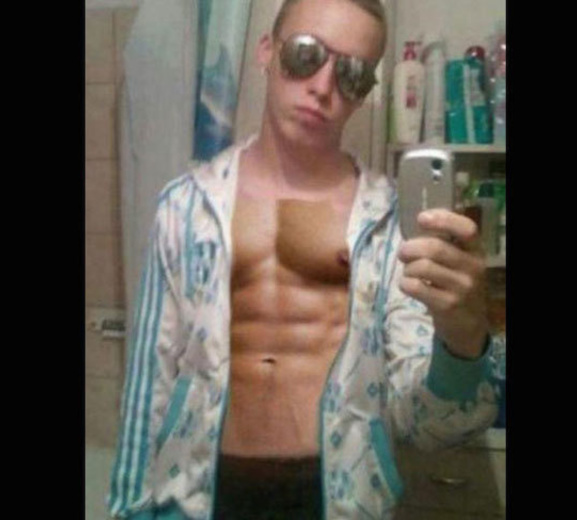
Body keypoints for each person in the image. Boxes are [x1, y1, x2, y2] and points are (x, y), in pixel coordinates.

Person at [108, 0, 500, 518]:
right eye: (305, 54)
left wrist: (462, 340)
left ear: (364, 93)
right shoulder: (184, 207)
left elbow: (426, 425)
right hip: (196, 498)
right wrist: (130, 507)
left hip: (340, 501)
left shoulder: (389, 224)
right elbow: (149, 383)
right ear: (266, 52)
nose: (323, 86)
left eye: (352, 73)